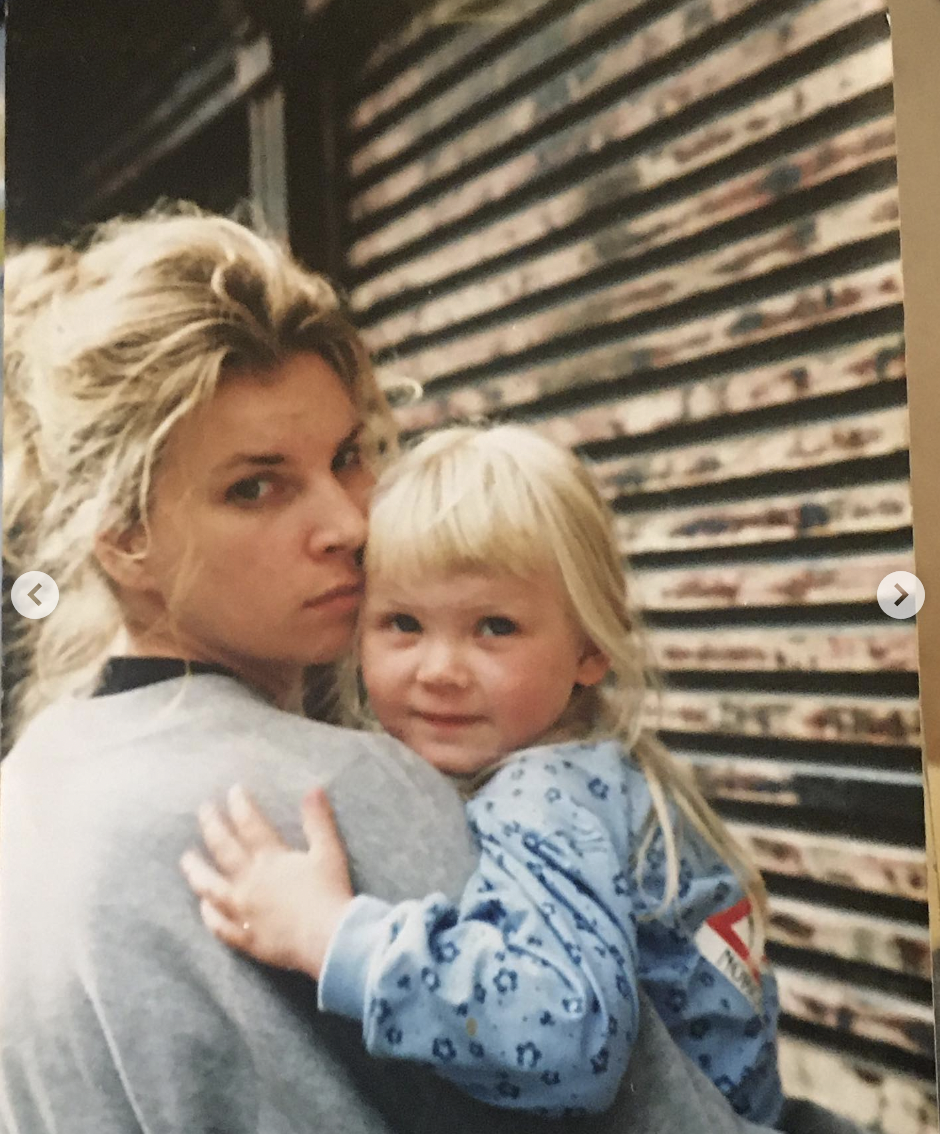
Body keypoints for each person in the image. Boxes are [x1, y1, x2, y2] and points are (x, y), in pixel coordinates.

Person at [0, 207, 815, 1134]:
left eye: (349, 456)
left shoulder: (31, 784)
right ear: (124, 537)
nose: (348, 522)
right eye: (256, 487)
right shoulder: (336, 791)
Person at [182, 425, 784, 1125]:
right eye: (403, 623)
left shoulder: (545, 794)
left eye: (494, 627)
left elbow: (569, 1038)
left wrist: (331, 934)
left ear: (590, 649)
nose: (440, 671)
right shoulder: (605, 770)